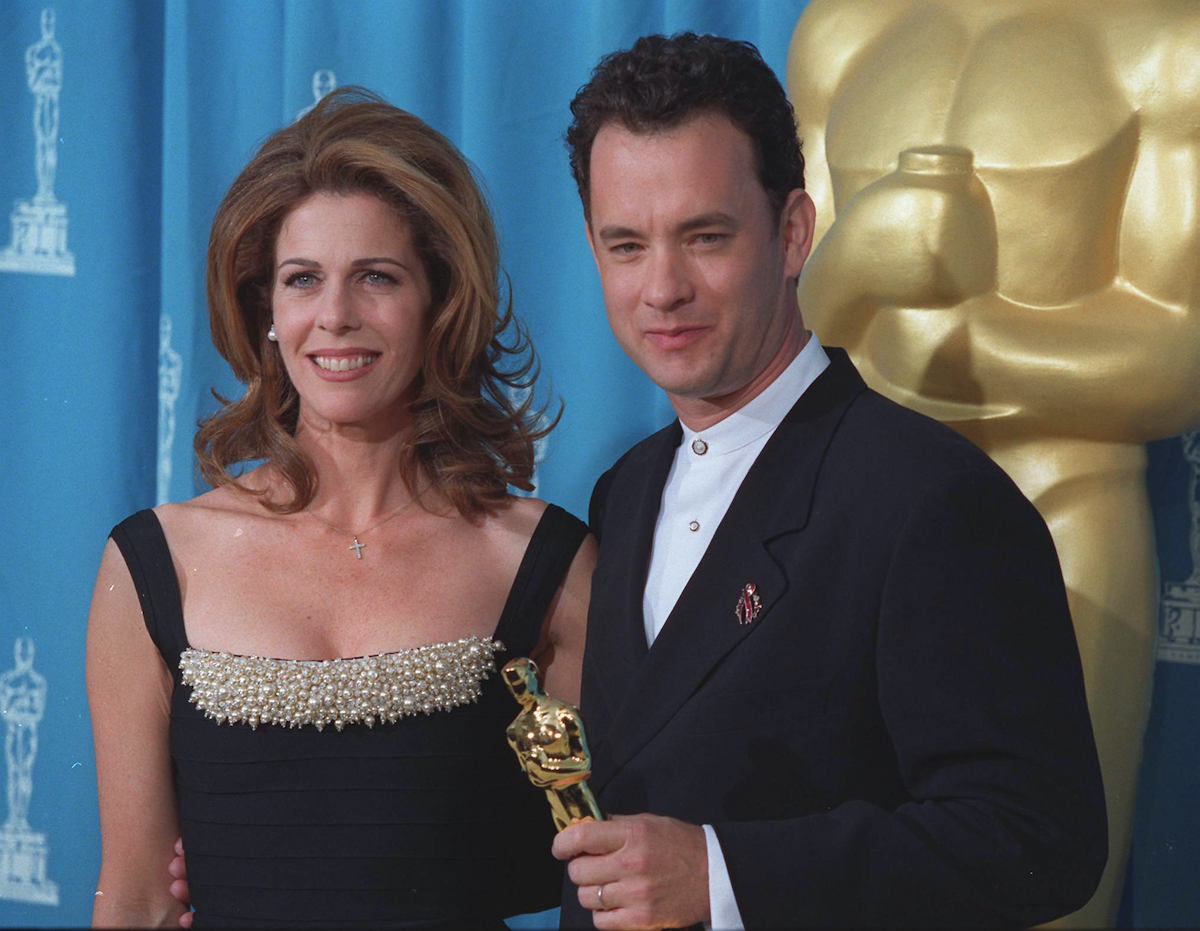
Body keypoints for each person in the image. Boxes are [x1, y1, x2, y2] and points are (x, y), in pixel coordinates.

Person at [552, 33, 1107, 929]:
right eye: (626, 245)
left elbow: (1039, 837)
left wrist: (724, 875)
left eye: (705, 236)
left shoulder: (929, 497)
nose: (663, 287)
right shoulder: (625, 486)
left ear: (794, 233)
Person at [86, 88, 594, 929]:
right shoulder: (155, 563)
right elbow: (137, 896)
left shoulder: (543, 560)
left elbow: (595, 860)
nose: (334, 317)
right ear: (267, 313)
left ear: (440, 300)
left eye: (377, 278)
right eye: (302, 280)